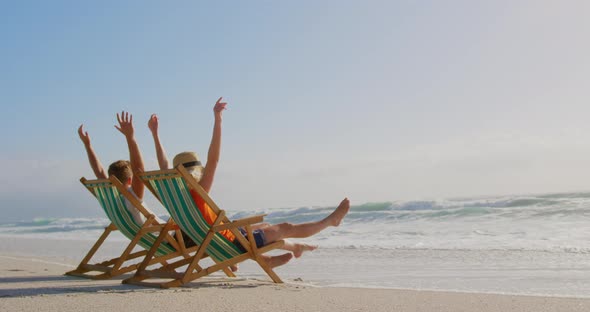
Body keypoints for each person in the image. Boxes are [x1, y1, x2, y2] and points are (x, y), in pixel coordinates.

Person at [148, 97, 351, 268]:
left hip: (216, 237)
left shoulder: (173, 195)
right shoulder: (198, 192)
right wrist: (218, 120)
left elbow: (164, 165)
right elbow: (213, 159)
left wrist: (155, 135)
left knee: (263, 225)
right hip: (233, 241)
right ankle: (328, 222)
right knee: (286, 226)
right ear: (195, 174)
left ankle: (288, 251)